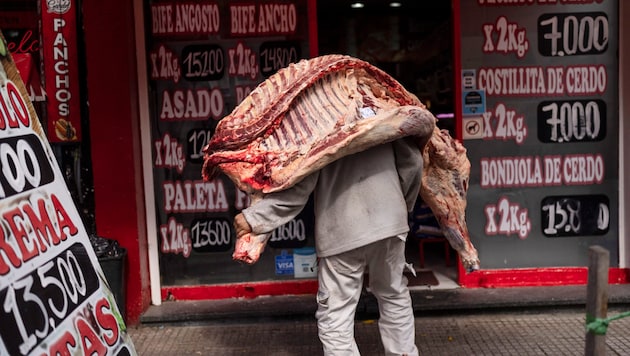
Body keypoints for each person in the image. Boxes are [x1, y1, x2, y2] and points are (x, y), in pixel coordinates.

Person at [234, 137, 423, 356]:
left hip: (342, 229)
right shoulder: (382, 108)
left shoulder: (321, 121)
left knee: (336, 314)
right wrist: (400, 206)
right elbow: (414, 163)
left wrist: (254, 218)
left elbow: (300, 186)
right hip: (390, 223)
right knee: (393, 295)